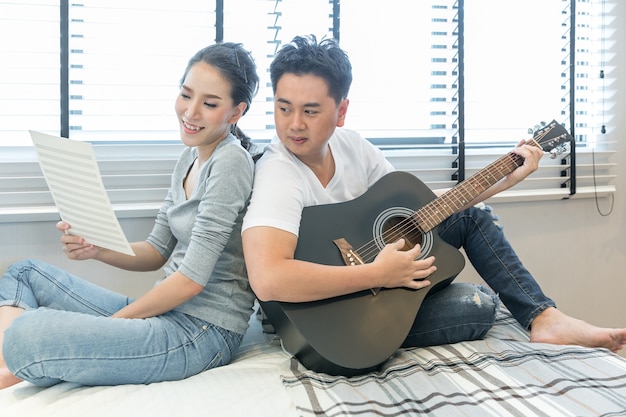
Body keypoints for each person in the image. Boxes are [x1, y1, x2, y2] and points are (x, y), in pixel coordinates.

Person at [241, 35, 626, 368]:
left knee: (473, 216)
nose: (294, 124)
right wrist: (378, 275)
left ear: (341, 112)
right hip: (322, 321)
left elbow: (420, 207)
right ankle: (530, 314)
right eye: (283, 107)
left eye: (310, 111)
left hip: (370, 287)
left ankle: (545, 318)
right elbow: (269, 278)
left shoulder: (351, 145)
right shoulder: (279, 175)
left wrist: (506, 178)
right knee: (480, 304)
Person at [0, 42, 260, 389]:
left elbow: (191, 280)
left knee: (26, 333)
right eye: (186, 95)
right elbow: (156, 251)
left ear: (235, 112)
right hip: (168, 312)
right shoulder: (188, 158)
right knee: (24, 273)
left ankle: (15, 365)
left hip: (202, 332)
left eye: (210, 104)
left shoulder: (230, 162)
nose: (191, 112)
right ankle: (15, 362)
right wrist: (97, 249)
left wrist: (115, 324)